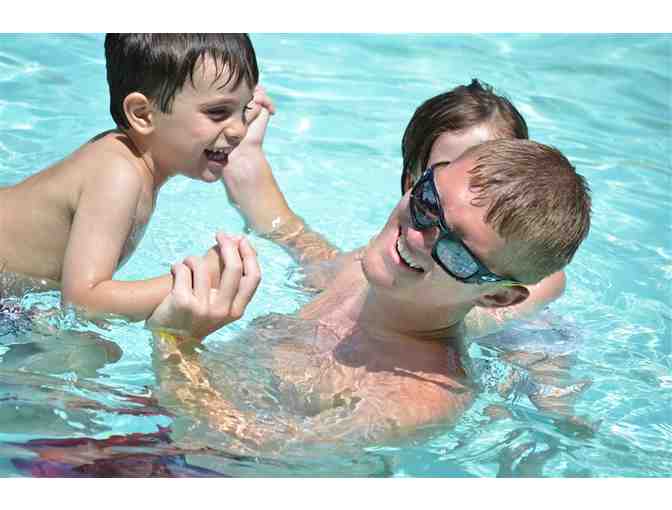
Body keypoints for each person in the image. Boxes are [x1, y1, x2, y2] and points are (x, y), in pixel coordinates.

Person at [146, 130, 591, 453]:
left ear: (495, 296)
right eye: (428, 203)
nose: (416, 235)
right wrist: (246, 153)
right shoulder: (367, 268)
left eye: (456, 251)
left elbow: (236, 446)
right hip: (161, 419)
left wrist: (174, 341)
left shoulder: (416, 398)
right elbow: (291, 235)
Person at [0, 34, 268, 324]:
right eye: (218, 112)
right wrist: (201, 277)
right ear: (143, 115)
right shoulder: (117, 174)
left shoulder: (135, 161)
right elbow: (82, 303)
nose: (239, 130)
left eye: (244, 109)